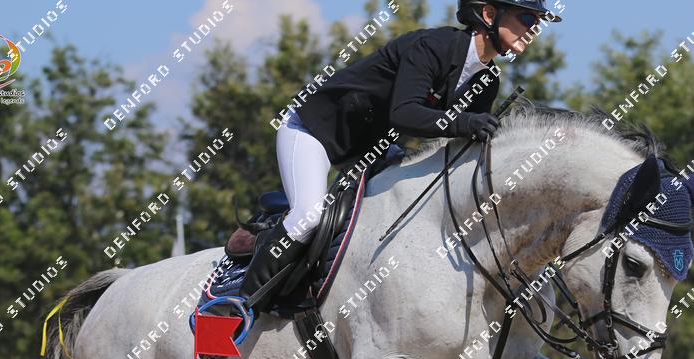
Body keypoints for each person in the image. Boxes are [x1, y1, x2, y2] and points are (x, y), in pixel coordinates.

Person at [237, 0, 562, 313]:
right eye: (527, 19)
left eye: (537, 23)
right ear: (489, 14)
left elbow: (460, 151)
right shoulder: (434, 47)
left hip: (370, 149)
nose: (533, 30)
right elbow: (404, 114)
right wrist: (464, 123)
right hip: (316, 130)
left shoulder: (487, 80)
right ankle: (238, 308)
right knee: (309, 216)